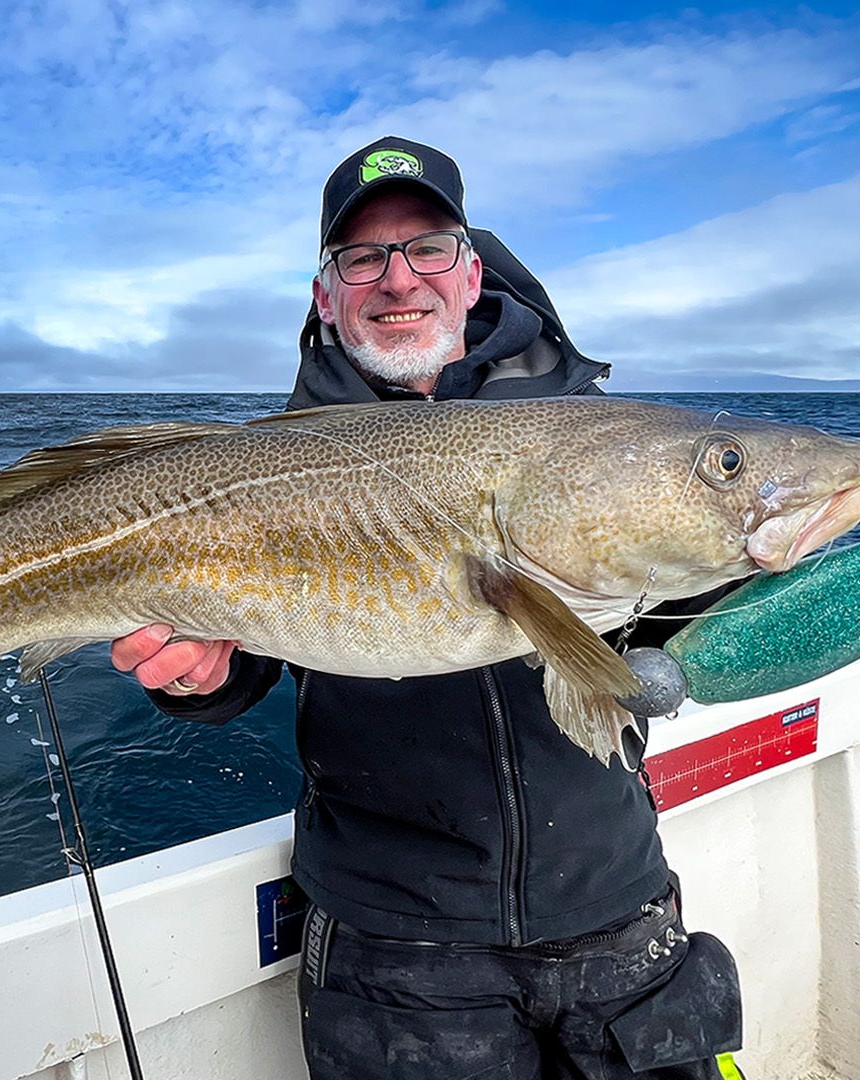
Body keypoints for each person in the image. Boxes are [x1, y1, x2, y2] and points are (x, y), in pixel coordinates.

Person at [110, 136, 745, 1079]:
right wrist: (196, 678)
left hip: (616, 901)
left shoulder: (594, 429)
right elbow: (238, 662)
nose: (396, 278)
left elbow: (658, 612)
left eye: (426, 249)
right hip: (393, 944)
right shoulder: (268, 461)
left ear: (471, 269)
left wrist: (723, 584)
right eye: (361, 258)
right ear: (328, 294)